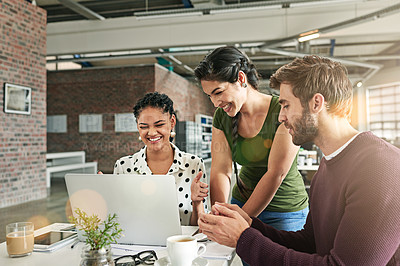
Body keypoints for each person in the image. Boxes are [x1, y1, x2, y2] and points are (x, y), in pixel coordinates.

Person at [198, 55, 400, 265]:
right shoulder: (327, 165)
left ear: (316, 103)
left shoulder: (382, 169)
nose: (280, 116)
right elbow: (310, 242)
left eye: (285, 105)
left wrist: (244, 238)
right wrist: (249, 225)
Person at [193, 46, 309, 231]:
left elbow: (275, 173)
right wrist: (220, 212)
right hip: (240, 202)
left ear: (240, 79)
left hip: (284, 212)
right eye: (209, 96)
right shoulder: (222, 116)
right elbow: (221, 170)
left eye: (218, 92)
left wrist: (238, 220)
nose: (215, 103)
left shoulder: (282, 111)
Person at [113, 92, 209, 226]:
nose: (151, 133)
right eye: (144, 127)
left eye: (159, 125)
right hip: (138, 246)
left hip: (180, 245)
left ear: (172, 122)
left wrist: (197, 203)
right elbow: (119, 222)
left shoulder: (193, 165)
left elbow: (199, 229)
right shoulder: (123, 166)